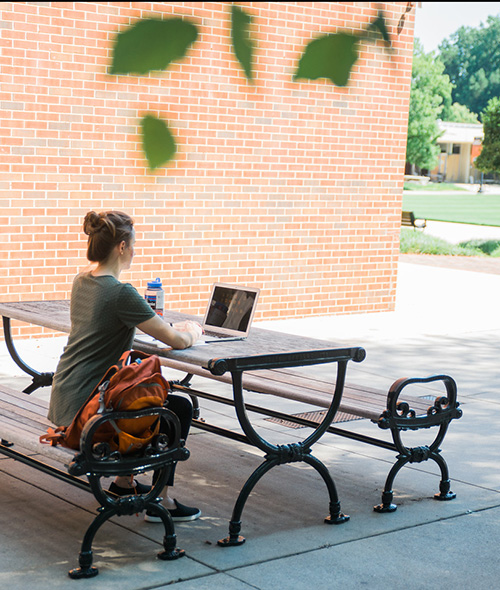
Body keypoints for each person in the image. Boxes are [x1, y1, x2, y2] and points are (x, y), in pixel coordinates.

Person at [49, 210, 203, 522]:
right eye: (132, 244)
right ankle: (162, 500)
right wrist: (194, 331)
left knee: (156, 400)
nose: (135, 250)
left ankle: (123, 483)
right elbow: (175, 339)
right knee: (179, 408)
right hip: (88, 417)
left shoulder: (82, 281)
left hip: (64, 400)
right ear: (121, 247)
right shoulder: (121, 293)